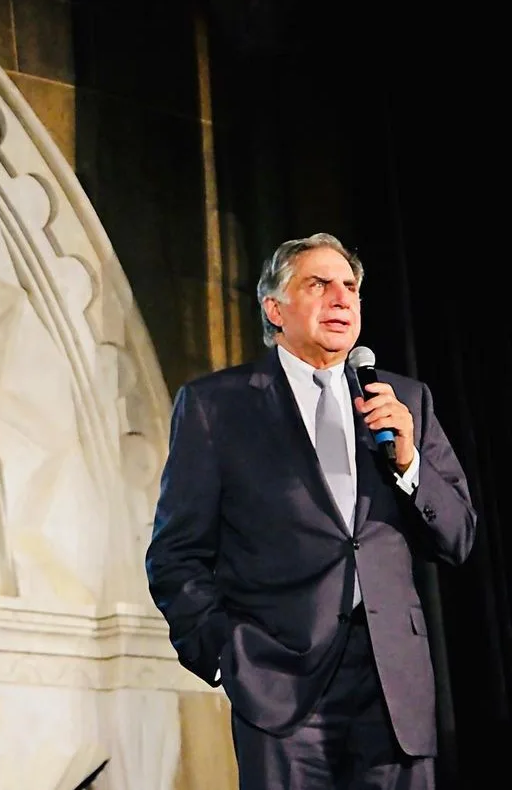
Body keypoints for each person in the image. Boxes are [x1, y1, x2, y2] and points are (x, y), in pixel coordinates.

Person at [145, 233, 476, 788]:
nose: (341, 298)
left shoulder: (405, 401)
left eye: (350, 287)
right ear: (275, 309)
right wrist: (226, 656)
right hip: (279, 684)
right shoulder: (216, 406)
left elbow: (459, 536)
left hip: (392, 686)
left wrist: (409, 463)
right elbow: (175, 556)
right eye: (319, 285)